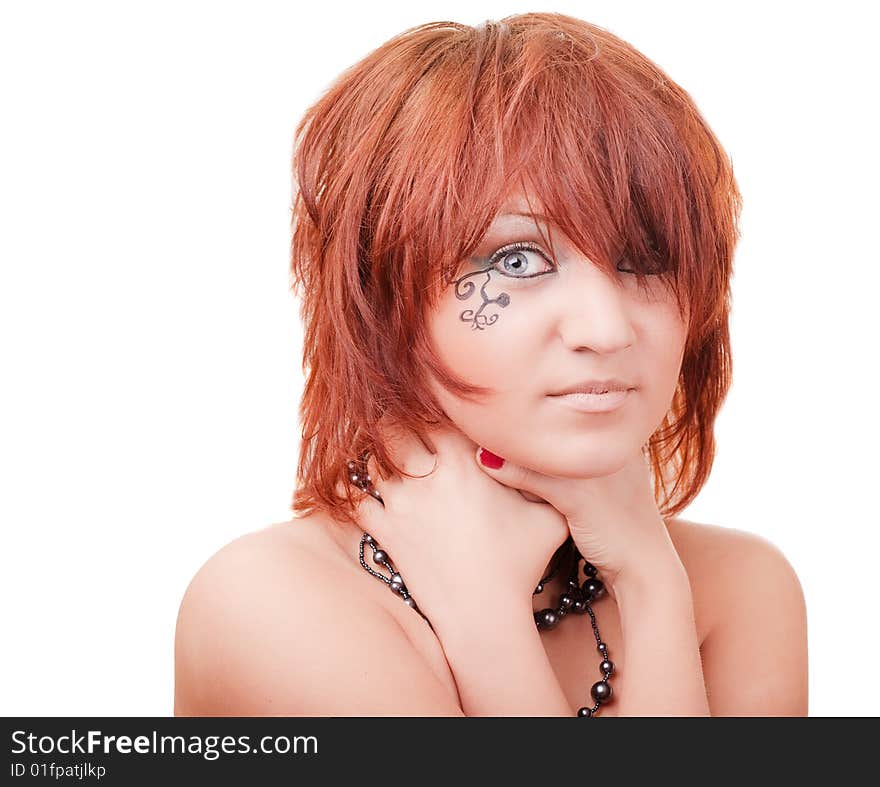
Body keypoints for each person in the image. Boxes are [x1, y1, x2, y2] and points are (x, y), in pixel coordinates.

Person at [173, 12, 808, 717]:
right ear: (384, 294)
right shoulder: (269, 603)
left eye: (646, 257)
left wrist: (651, 583)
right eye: (516, 259)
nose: (606, 329)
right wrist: (485, 616)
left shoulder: (740, 588)